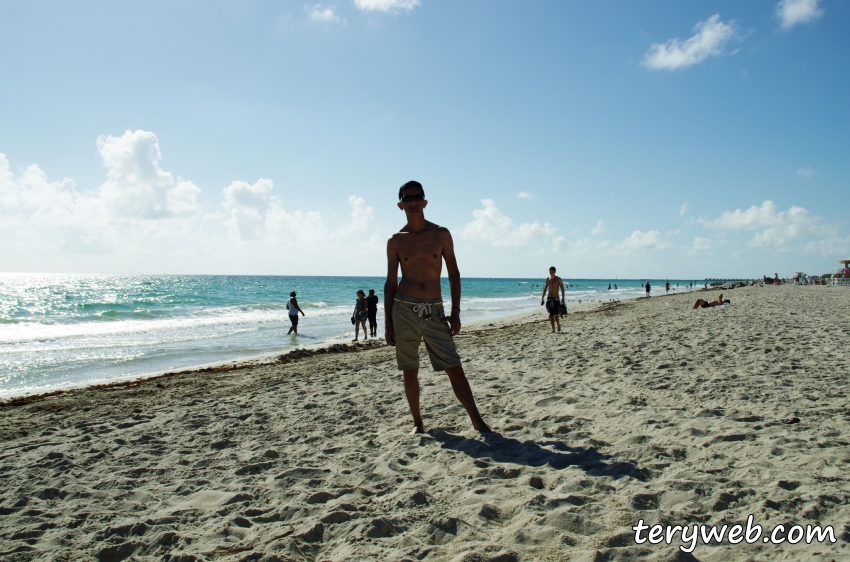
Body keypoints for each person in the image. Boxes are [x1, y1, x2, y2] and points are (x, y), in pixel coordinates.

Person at [384, 181, 493, 434]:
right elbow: (390, 282)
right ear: (400, 204)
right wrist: (388, 323)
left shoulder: (441, 234)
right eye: (407, 198)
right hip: (403, 310)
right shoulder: (395, 241)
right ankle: (418, 424)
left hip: (434, 310)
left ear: (425, 202)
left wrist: (455, 312)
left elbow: (454, 274)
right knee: (410, 370)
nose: (412, 201)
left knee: (454, 366)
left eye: (417, 196)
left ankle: (478, 421)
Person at [541, 266, 565, 333]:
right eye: (550, 272)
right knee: (550, 315)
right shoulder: (548, 279)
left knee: (555, 314)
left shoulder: (558, 279)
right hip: (549, 299)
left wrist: (563, 298)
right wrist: (542, 298)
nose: (551, 273)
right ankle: (553, 329)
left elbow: (562, 289)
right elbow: (545, 289)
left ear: (554, 272)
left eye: (552, 272)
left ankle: (558, 325)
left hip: (556, 299)